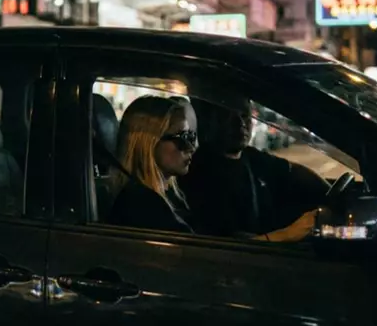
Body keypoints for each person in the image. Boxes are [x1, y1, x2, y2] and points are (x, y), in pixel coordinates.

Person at [180, 96, 329, 242]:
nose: (240, 123)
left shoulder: (251, 157)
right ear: (210, 121)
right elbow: (230, 244)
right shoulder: (198, 173)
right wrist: (289, 233)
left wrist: (329, 194)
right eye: (227, 116)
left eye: (245, 115)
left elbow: (291, 171)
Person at [108, 96, 199, 233]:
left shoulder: (173, 195)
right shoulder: (141, 205)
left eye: (191, 136)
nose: (191, 147)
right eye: (182, 138)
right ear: (149, 143)